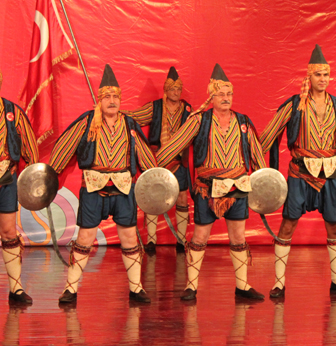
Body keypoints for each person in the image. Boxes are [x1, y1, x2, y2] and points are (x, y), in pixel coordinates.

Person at [259, 45, 336, 298]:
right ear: (309, 76)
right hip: (300, 174)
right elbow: (267, 136)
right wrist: (253, 164)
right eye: (318, 75)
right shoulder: (295, 105)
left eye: (326, 75)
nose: (323, 79)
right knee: (287, 225)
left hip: (330, 175)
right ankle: (279, 283)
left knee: (335, 228)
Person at [157, 64, 267, 301]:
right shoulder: (199, 121)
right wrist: (151, 168)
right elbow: (174, 147)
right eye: (220, 94)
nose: (226, 98)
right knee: (199, 237)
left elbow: (257, 155)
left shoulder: (243, 122)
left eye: (229, 94)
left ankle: (242, 286)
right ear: (211, 97)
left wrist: (265, 181)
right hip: (207, 189)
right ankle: (191, 286)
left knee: (238, 238)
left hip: (238, 187)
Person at [49, 65, 156, 304]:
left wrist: (155, 180)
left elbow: (144, 155)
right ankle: (70, 289)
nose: (112, 101)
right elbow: (65, 146)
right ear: (99, 99)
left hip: (123, 188)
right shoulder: (87, 121)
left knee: (129, 237)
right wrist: (50, 176)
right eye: (107, 97)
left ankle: (136, 288)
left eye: (115, 96)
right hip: (93, 188)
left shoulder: (129, 124)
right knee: (85, 237)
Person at [124, 67, 192, 254]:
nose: (176, 92)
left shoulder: (187, 110)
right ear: (166, 90)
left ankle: (181, 240)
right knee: (153, 196)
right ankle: (151, 241)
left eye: (179, 89)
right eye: (173, 89)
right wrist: (116, 114)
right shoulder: (155, 107)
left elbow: (196, 128)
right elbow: (135, 117)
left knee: (182, 196)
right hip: (156, 159)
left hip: (178, 160)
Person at [0, 69, 39, 304]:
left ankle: (16, 288)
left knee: (8, 232)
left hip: (6, 178)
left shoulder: (12, 112)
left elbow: (29, 147)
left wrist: (35, 177)